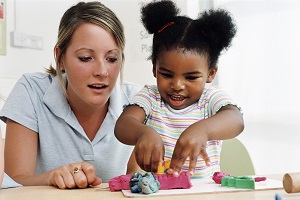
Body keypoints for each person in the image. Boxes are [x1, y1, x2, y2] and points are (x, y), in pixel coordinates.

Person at [0, 1, 141, 189]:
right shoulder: (31, 90)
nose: (102, 71)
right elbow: (13, 182)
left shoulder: (137, 101)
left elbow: (139, 178)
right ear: (60, 58)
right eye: (85, 58)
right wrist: (52, 177)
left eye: (112, 59)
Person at [115, 0, 244, 178]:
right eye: (167, 74)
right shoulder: (150, 97)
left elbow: (236, 120)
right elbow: (123, 125)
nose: (177, 85)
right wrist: (142, 133)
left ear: (211, 73)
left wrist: (203, 130)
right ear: (154, 68)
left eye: (190, 77)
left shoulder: (210, 99)